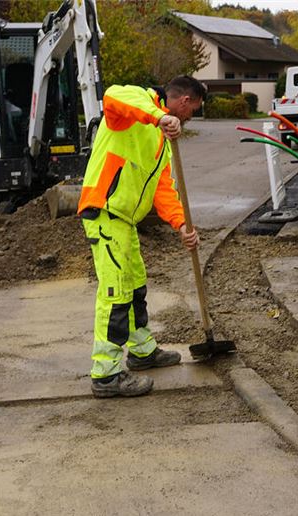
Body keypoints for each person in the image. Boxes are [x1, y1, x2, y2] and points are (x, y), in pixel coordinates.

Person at [77, 75, 205, 398]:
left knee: (135, 287)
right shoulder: (137, 100)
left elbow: (164, 189)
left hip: (125, 221)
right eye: (192, 111)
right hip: (105, 211)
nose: (189, 119)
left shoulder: (160, 140)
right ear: (184, 101)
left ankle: (142, 351)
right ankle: (105, 375)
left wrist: (181, 226)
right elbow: (112, 96)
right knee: (115, 292)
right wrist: (160, 116)